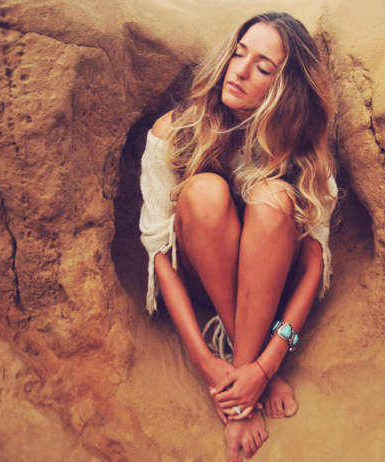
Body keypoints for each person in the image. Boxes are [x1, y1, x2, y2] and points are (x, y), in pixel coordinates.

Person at [139, 11, 337, 462]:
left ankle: (244, 374)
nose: (240, 71)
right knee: (203, 191)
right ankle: (241, 365)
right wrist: (209, 364)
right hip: (202, 279)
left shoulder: (306, 149)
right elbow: (159, 256)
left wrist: (266, 365)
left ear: (286, 88)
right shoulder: (175, 131)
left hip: (272, 284)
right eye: (238, 54)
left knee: (273, 197)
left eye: (263, 68)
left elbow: (313, 265)